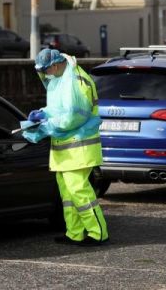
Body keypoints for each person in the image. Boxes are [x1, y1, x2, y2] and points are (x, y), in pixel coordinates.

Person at [22, 48, 108, 246]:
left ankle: (98, 232)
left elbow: (73, 117)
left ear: (55, 65)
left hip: (79, 146)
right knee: (68, 194)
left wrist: (46, 125)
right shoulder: (61, 78)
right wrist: (43, 114)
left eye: (46, 70)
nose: (45, 75)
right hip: (67, 148)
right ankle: (74, 232)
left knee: (79, 190)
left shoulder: (76, 80)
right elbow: (58, 109)